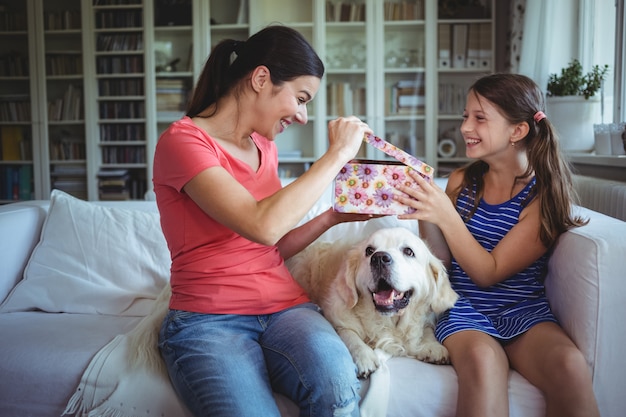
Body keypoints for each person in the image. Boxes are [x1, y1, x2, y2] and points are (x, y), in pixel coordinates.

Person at [152, 25, 374, 417]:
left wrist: (333, 217)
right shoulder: (183, 143)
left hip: (285, 310)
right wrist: (337, 154)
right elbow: (261, 224)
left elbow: (269, 246)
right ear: (260, 78)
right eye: (301, 99)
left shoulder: (264, 147)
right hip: (209, 320)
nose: (304, 117)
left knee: (339, 393)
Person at [395, 73, 600, 417]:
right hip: (464, 307)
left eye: (479, 118)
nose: (465, 127)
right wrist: (426, 211)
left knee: (569, 365)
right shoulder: (463, 181)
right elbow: (444, 261)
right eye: (465, 116)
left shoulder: (542, 198)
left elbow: (489, 272)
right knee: (482, 359)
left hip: (523, 311)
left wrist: (444, 214)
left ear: (517, 131)